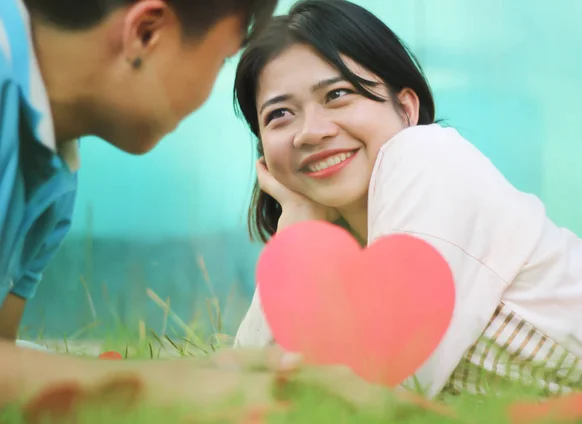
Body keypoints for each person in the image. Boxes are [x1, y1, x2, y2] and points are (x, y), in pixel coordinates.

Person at [0, 0, 412, 416]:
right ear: (146, 33)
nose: (311, 133)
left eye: (338, 96)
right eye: (221, 60)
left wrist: (216, 372)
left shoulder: (51, 175)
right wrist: (182, 385)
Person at [233, 0, 582, 399]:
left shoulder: (425, 156)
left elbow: (377, 383)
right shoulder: (336, 247)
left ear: (406, 108)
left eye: (337, 94)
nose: (311, 132)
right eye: (280, 115)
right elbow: (247, 387)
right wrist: (300, 228)